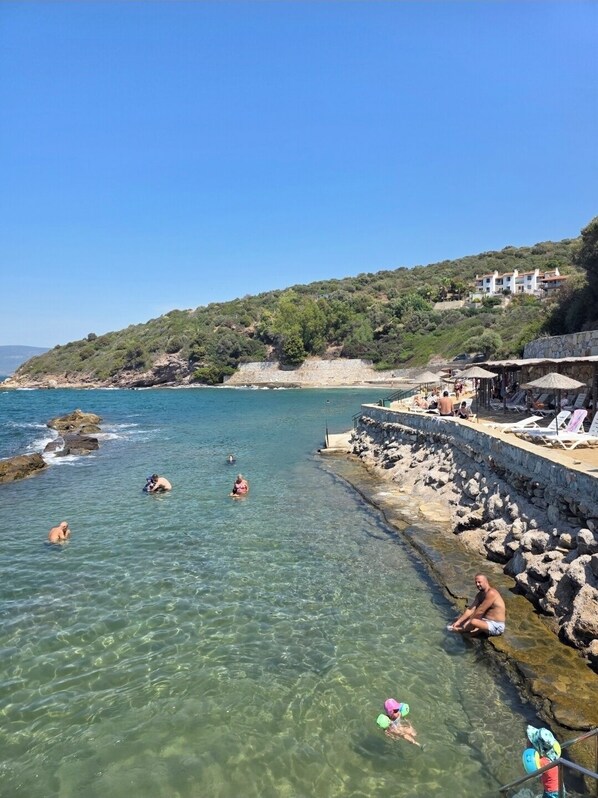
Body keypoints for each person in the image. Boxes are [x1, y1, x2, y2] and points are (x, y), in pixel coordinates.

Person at [526, 726, 563, 798]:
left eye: (531, 742)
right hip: (559, 786)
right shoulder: (552, 755)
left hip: (552, 792)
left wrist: (529, 749)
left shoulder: (543, 762)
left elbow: (533, 771)